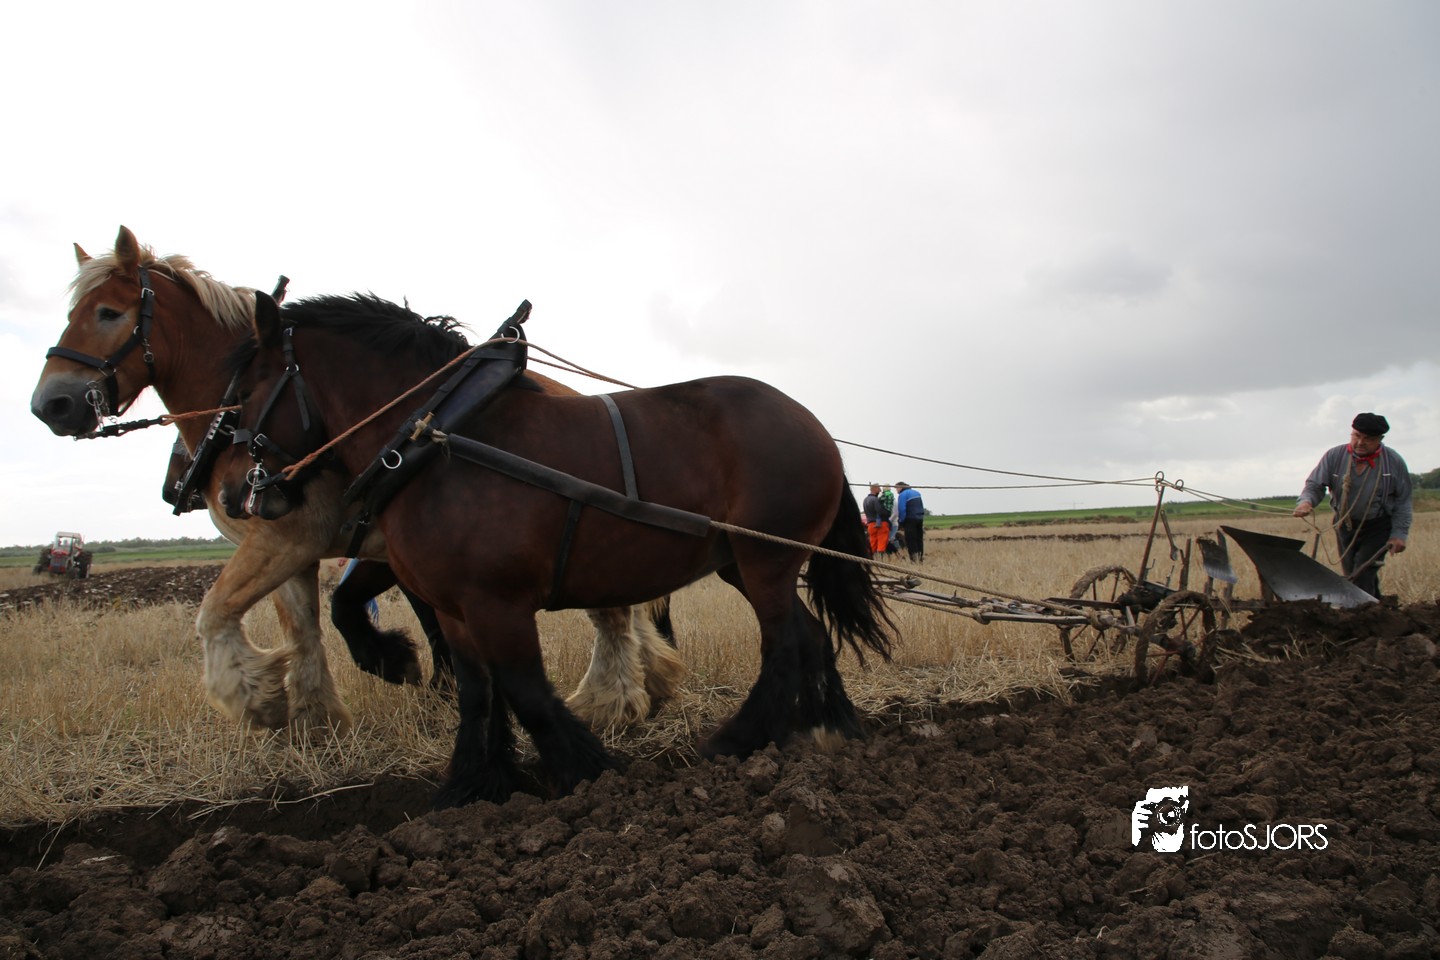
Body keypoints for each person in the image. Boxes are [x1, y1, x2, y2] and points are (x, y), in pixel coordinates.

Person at [1293, 412, 1413, 598]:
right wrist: (1306, 502)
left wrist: (1399, 534)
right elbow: (1315, 485)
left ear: (1380, 439)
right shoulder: (1334, 456)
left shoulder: (1393, 461)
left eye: (1368, 439)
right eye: (1356, 436)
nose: (1360, 442)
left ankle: (1361, 611)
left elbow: (1403, 500)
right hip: (1344, 524)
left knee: (1361, 574)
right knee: (1353, 573)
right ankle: (1378, 608)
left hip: (1378, 526)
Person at [895, 481, 926, 562]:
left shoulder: (902, 495)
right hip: (919, 518)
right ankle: (920, 557)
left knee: (911, 540)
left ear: (900, 487)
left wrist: (901, 521)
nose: (896, 490)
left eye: (896, 488)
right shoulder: (917, 493)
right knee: (919, 539)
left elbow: (902, 509)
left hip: (910, 519)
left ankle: (914, 559)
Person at [862, 483, 891, 559]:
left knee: (872, 543)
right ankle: (880, 559)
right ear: (874, 489)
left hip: (870, 524)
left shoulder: (865, 500)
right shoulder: (875, 500)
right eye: (879, 488)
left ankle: (869, 558)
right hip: (880, 524)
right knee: (882, 541)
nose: (880, 490)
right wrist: (888, 512)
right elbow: (880, 511)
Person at [879, 484, 900, 554]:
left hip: (892, 524)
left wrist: (889, 520)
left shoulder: (893, 502)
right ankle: (893, 554)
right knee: (889, 539)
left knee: (891, 539)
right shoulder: (891, 501)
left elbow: (895, 513)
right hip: (889, 523)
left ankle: (898, 553)